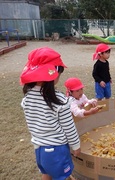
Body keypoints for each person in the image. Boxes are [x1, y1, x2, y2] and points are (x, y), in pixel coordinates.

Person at [20, 47, 81, 180]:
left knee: (46, 173)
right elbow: (69, 128)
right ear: (55, 72)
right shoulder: (59, 101)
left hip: (39, 149)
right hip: (57, 150)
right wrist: (76, 146)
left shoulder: (27, 98)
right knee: (62, 176)